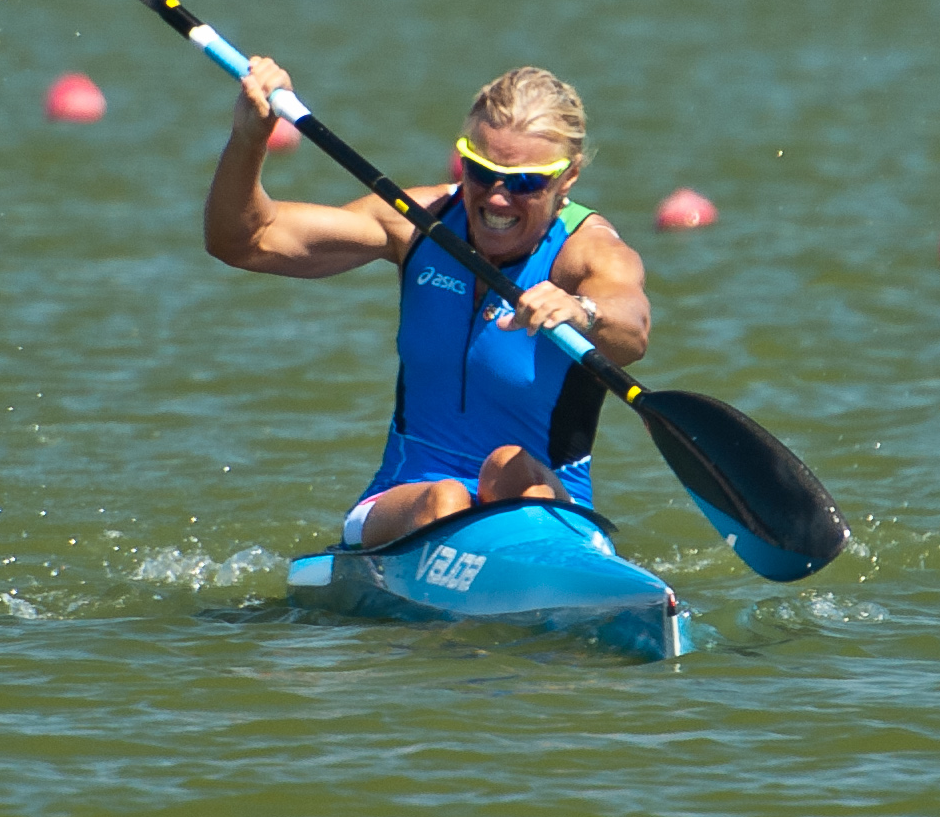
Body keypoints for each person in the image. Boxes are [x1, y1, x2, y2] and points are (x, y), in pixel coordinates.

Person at [203, 57, 650, 549]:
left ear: (567, 179)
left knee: (511, 466)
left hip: (545, 507)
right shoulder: (420, 223)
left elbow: (631, 329)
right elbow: (245, 240)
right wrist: (248, 139)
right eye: (481, 172)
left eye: (525, 182)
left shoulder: (586, 252)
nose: (498, 199)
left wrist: (583, 311)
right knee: (446, 499)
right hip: (403, 499)